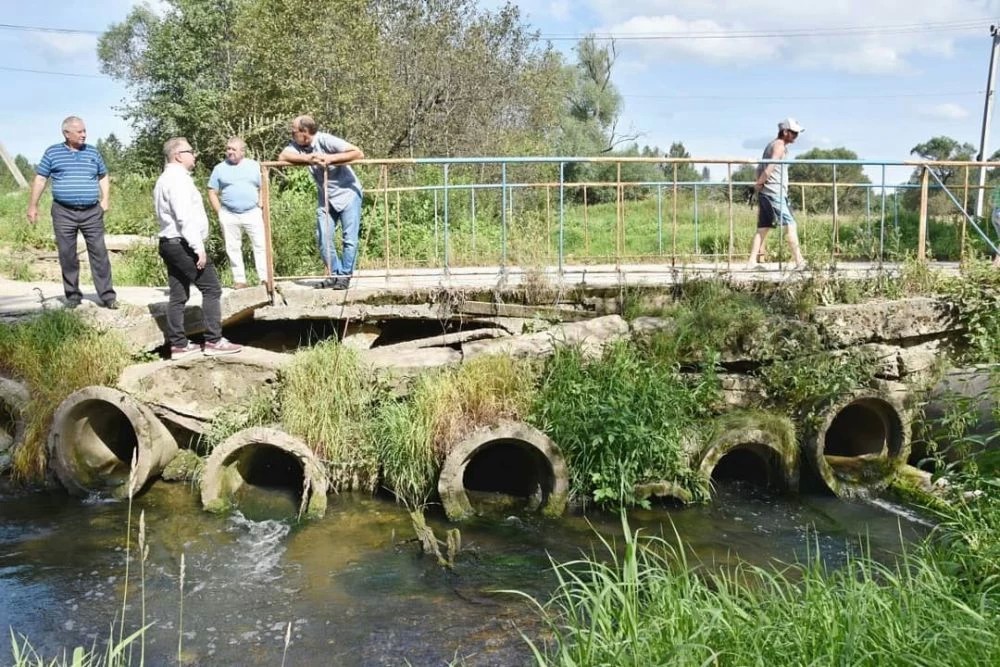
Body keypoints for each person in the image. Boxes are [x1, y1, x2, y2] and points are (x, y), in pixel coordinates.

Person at [154, 137, 243, 361]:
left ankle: (179, 345)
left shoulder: (165, 179)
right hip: (182, 243)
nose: (195, 155)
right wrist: (198, 248)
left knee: (178, 294)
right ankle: (214, 340)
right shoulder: (177, 180)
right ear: (177, 155)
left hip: (169, 243)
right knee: (212, 288)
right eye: (190, 151)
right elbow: (184, 217)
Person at [26, 116, 118, 309]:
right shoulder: (53, 153)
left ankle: (108, 296)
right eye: (79, 131)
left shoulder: (92, 152)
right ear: (66, 133)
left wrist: (105, 199)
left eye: (85, 130)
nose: (84, 134)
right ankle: (73, 296)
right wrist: (33, 206)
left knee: (99, 253)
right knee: (67, 254)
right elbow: (41, 179)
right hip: (63, 212)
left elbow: (103, 175)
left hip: (92, 211)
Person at [278, 115, 364, 289]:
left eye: (294, 131)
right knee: (323, 237)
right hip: (326, 197)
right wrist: (308, 159)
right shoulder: (298, 146)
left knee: (349, 239)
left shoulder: (325, 140)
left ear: (305, 133)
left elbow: (358, 153)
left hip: (348, 193)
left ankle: (345, 276)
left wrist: (331, 158)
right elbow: (282, 157)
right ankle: (334, 274)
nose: (291, 134)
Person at [207, 137, 268, 289]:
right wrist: (220, 212)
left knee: (260, 245)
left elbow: (264, 186)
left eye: (233, 149)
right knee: (232, 247)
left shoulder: (254, 166)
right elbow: (212, 191)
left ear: (242, 151)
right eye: (228, 149)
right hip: (229, 214)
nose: (230, 152)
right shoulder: (219, 168)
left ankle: (265, 279)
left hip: (252, 212)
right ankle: (240, 280)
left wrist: (261, 204)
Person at [747, 117, 806, 270]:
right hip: (774, 192)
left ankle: (751, 261)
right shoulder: (779, 146)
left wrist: (759, 187)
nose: (795, 137)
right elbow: (769, 168)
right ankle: (800, 261)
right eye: (793, 133)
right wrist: (759, 184)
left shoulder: (770, 145)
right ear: (785, 132)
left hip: (767, 192)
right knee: (791, 225)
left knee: (763, 228)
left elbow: (759, 167)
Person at [991, 184, 1000, 268]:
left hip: (994, 214)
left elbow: (990, 201)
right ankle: (996, 263)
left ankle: (996, 263)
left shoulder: (997, 187)